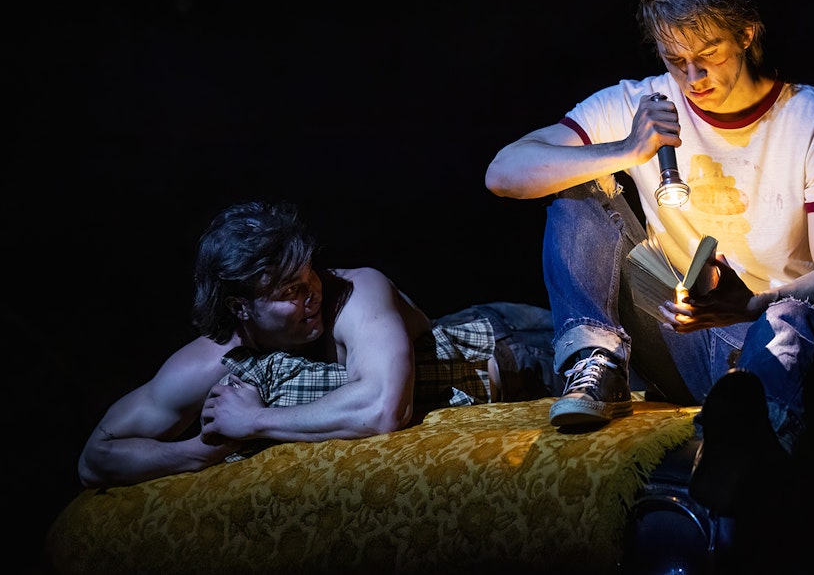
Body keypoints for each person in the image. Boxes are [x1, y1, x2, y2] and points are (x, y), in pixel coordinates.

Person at [485, 0, 814, 523]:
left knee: (792, 319)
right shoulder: (643, 103)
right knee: (578, 186)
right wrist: (625, 148)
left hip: (771, 337)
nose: (692, 76)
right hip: (684, 336)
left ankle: (754, 439)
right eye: (673, 58)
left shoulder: (812, 119)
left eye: (708, 52)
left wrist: (750, 304)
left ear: (747, 33)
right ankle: (594, 364)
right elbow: (503, 173)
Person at [78, 200, 561, 488]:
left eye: (307, 276)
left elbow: (382, 409)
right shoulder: (211, 360)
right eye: (288, 292)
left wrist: (254, 422)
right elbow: (96, 458)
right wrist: (197, 454)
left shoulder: (356, 292)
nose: (311, 294)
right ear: (240, 307)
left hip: (512, 347)